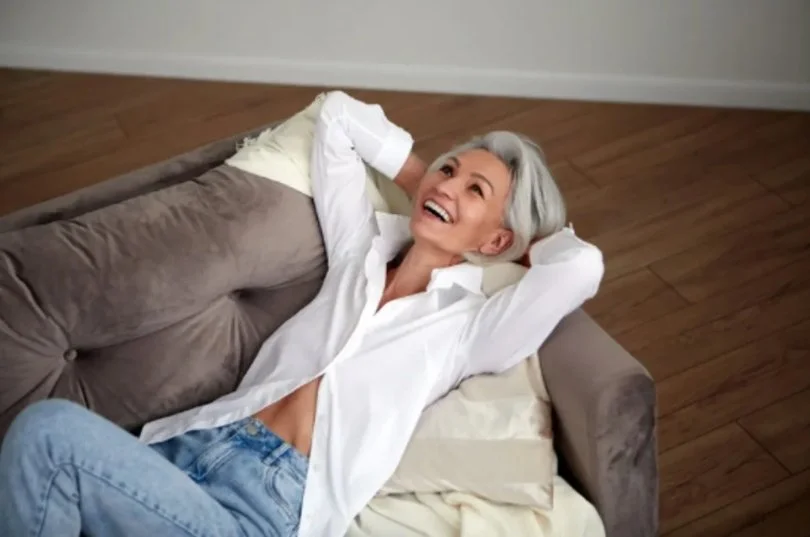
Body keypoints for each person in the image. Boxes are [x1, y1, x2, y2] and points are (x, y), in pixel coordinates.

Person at [0, 90, 604, 537]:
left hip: (267, 506)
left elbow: (581, 268)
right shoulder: (360, 251)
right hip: (185, 450)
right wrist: (425, 182)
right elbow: (336, 116)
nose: (449, 185)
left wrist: (521, 246)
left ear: (497, 239)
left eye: (476, 191)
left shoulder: (472, 330)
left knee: (49, 433)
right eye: (451, 169)